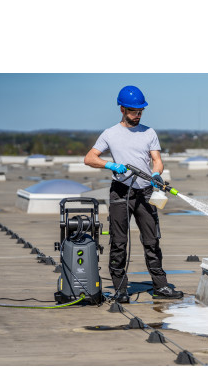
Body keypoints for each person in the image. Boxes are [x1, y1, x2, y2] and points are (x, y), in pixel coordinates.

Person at [84, 85, 183, 302]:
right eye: (133, 111)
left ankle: (161, 286)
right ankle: (121, 290)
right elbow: (89, 158)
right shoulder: (110, 134)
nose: (137, 115)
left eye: (140, 111)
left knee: (152, 240)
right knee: (119, 242)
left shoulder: (149, 132)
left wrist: (156, 174)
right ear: (122, 109)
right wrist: (110, 165)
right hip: (120, 192)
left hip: (145, 192)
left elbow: (157, 161)